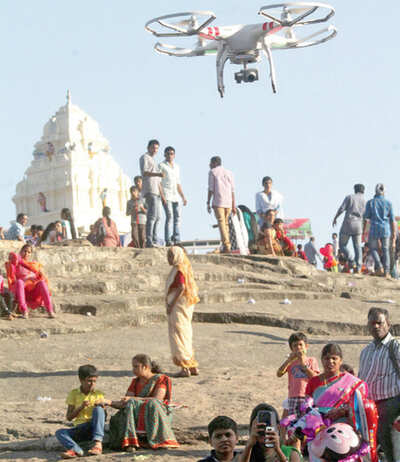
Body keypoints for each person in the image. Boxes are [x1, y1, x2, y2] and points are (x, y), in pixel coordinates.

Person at [108, 354, 179, 451]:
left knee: (151, 403)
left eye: (136, 366)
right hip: (136, 414)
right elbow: (125, 402)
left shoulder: (161, 379)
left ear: (145, 367)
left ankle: (161, 441)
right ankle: (131, 443)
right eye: (133, 366)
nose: (133, 370)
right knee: (129, 405)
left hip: (156, 411)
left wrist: (134, 399)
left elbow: (157, 399)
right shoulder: (135, 382)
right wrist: (108, 402)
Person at [358, 307, 400, 462]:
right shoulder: (366, 351)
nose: (376, 326)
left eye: (379, 322)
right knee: (368, 454)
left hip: (391, 409)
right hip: (368, 410)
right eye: (372, 323)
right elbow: (361, 381)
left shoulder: (395, 347)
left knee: (393, 455)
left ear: (388, 324)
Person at [55, 364, 108, 458]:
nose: (92, 384)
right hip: (80, 428)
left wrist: (102, 407)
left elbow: (103, 417)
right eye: (89, 381)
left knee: (99, 409)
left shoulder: (98, 394)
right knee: (60, 432)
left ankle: (97, 444)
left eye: (94, 381)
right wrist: (80, 407)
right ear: (81, 380)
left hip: (93, 427)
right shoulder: (74, 394)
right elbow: (69, 417)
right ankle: (76, 450)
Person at [306, 343, 367, 420]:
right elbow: (306, 404)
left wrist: (342, 411)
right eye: (327, 358)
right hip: (316, 424)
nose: (330, 361)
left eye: (334, 358)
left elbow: (360, 406)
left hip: (342, 425)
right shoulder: (313, 382)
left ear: (340, 361)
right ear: (322, 360)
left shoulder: (352, 382)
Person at [166, 246, 200, 377]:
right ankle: (192, 366)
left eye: (170, 256)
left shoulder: (179, 269)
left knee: (179, 336)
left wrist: (171, 304)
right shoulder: (183, 267)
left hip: (178, 307)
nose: (168, 259)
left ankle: (184, 367)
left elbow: (181, 287)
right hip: (183, 307)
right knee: (185, 335)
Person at [237, 403, 302, 462]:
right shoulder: (245, 455)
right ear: (252, 428)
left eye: (268, 424)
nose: (265, 429)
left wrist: (278, 450)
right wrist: (249, 446)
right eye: (261, 425)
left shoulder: (291, 453)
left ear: (278, 427)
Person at [5, 244, 55, 319]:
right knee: (20, 282)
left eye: (29, 252)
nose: (26, 253)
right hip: (21, 291)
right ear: (20, 251)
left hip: (33, 292)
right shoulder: (15, 264)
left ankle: (50, 311)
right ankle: (24, 311)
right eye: (25, 251)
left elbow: (42, 277)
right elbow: (11, 278)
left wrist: (35, 277)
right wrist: (14, 260)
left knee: (42, 283)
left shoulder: (34, 264)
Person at [277, 332, 319, 418]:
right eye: (295, 346)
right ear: (291, 349)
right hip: (293, 397)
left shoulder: (311, 360)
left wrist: (303, 364)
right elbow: (279, 373)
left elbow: (315, 378)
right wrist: (288, 360)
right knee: (293, 421)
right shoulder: (290, 362)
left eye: (301, 345)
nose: (298, 348)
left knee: (307, 421)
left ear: (306, 346)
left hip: (308, 397)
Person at [363, 183, 396, 277]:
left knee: (373, 249)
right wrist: (393, 233)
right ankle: (386, 272)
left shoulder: (370, 202)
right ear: (384, 192)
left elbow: (366, 216)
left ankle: (379, 266)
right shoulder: (389, 203)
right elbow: (392, 219)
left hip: (374, 228)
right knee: (386, 250)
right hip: (386, 229)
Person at [332, 184, 366, 273]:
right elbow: (366, 217)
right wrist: (364, 227)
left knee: (342, 245)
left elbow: (342, 209)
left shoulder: (350, 197)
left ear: (355, 190)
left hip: (348, 224)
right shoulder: (365, 200)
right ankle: (358, 268)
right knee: (358, 247)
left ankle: (351, 260)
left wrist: (335, 217)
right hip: (359, 225)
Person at [159, 146, 187, 246]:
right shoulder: (161, 166)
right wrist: (162, 196)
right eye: (168, 154)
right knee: (169, 216)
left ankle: (176, 238)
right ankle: (168, 240)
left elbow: (178, 183)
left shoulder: (177, 167)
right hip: (166, 194)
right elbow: (159, 182)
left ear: (174, 155)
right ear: (164, 154)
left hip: (176, 195)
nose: (170, 155)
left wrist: (183, 196)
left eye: (172, 154)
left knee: (177, 217)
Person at [207, 156, 236, 254]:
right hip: (228, 202)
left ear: (214, 163)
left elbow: (211, 189)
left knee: (221, 223)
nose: (209, 165)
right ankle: (226, 245)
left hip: (218, 201)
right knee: (226, 223)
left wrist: (208, 202)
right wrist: (233, 205)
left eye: (210, 163)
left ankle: (227, 246)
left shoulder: (212, 172)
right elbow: (232, 191)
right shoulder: (229, 173)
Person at [139, 139, 164, 248]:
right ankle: (149, 240)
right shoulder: (145, 157)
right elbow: (144, 172)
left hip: (156, 191)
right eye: (153, 148)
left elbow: (158, 182)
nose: (155, 150)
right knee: (152, 216)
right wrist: (158, 174)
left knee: (158, 217)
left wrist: (162, 195)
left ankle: (154, 239)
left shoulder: (154, 160)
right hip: (149, 190)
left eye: (157, 148)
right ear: (148, 147)